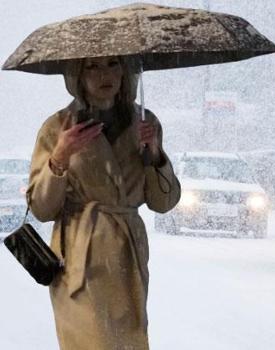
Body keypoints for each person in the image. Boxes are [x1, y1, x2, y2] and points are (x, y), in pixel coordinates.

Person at [28, 55, 181, 349]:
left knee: (128, 341)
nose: (104, 74)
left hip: (127, 256)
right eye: (93, 66)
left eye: (113, 64)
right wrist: (60, 156)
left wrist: (155, 155)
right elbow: (42, 208)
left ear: (125, 71)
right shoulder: (57, 127)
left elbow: (163, 203)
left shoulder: (146, 123)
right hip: (78, 256)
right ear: (77, 75)